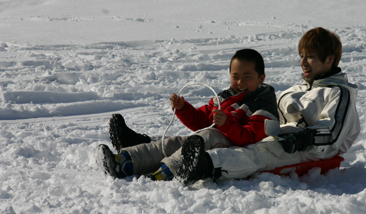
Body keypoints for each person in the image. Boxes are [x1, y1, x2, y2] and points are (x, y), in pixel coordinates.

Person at [177, 27, 361, 186]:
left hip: (310, 150)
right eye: (302, 56)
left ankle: (207, 165)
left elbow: (333, 133)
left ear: (329, 59)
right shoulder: (298, 90)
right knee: (243, 141)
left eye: (310, 57)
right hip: (285, 137)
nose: (303, 62)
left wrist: (303, 139)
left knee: (261, 153)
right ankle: (167, 156)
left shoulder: (338, 92)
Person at [97, 48, 279, 181]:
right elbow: (201, 120)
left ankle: (162, 173)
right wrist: (183, 108)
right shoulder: (226, 97)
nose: (240, 82)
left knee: (208, 136)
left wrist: (226, 125)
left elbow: (249, 138)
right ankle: (124, 161)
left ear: (261, 78)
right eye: (235, 76)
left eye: (247, 77)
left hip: (232, 150)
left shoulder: (264, 106)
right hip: (209, 141)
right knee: (178, 142)